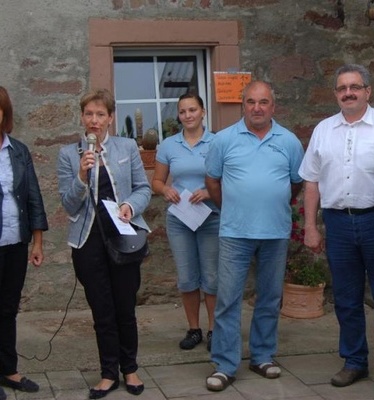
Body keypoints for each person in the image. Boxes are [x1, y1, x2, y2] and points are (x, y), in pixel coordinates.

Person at [299, 64, 374, 396]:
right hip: (338, 222)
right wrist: (310, 227)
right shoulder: (323, 130)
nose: (348, 92)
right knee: (346, 298)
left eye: (355, 87)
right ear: (336, 94)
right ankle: (354, 361)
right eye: (342, 88)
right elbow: (311, 181)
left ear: (368, 91)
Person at [204, 81, 304, 392]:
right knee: (228, 299)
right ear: (242, 105)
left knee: (270, 297)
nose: (257, 108)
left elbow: (296, 184)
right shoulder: (223, 140)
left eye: (263, 102)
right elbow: (212, 182)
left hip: (275, 232)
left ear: (273, 107)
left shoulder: (289, 141)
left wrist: (271, 203)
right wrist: (233, 207)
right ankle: (225, 364)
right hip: (235, 232)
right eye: (250, 102)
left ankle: (262, 356)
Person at [57, 89, 151, 399]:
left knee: (125, 306)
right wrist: (82, 176)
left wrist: (130, 207)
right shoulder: (69, 155)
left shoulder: (126, 147)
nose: (94, 120)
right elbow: (69, 206)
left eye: (100, 114)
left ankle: (131, 369)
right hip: (88, 241)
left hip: (123, 235)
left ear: (110, 118)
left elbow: (143, 189)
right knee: (102, 310)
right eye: (89, 114)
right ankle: (109, 373)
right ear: (82, 118)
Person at [152, 92, 218, 352]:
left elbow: (229, 178)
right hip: (180, 219)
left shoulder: (217, 142)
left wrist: (211, 192)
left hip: (211, 216)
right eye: (182, 111)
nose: (188, 115)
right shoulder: (169, 145)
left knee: (212, 277)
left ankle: (215, 330)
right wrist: (165, 190)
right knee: (187, 277)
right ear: (178, 116)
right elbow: (156, 181)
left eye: (192, 110)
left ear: (203, 112)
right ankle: (194, 329)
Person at [0, 86, 48, 397]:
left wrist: (37, 242)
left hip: (15, 243)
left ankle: (8, 369)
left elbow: (33, 198)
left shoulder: (18, 151)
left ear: (4, 113)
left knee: (7, 308)